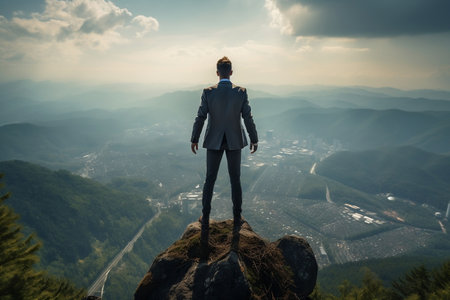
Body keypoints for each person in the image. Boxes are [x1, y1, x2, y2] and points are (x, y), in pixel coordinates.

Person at [191, 56, 258, 245]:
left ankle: (205, 216)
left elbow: (201, 116)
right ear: (231, 72)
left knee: (209, 179)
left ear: (217, 72)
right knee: (235, 179)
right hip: (235, 140)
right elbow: (247, 117)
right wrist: (254, 138)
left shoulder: (208, 92)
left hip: (213, 140)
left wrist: (194, 138)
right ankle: (237, 218)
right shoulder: (241, 92)